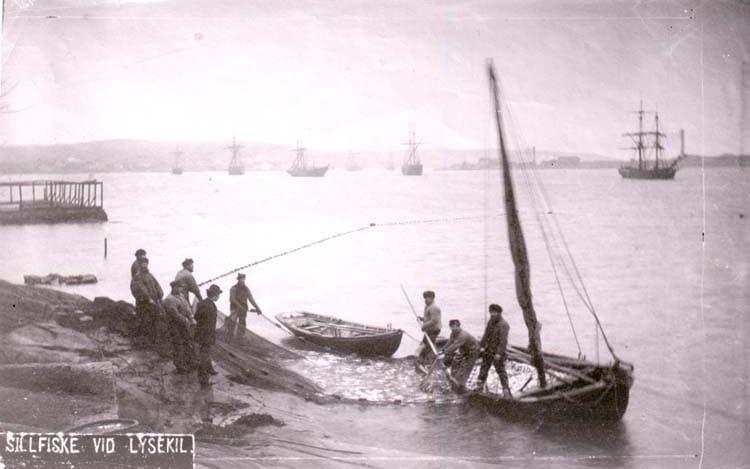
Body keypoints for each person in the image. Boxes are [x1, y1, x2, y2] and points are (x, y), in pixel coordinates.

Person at [477, 304, 512, 398]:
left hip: (497, 353)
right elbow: (486, 335)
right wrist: (481, 346)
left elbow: (503, 342)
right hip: (488, 350)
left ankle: (506, 391)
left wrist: (499, 353)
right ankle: (479, 386)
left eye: (495, 312)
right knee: (484, 368)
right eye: (491, 312)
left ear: (499, 313)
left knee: (501, 371)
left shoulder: (504, 325)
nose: (492, 314)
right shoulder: (491, 322)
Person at [129, 257, 164, 346]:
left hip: (153, 302)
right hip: (144, 304)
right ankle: (144, 341)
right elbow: (141, 288)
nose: (145, 265)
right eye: (143, 263)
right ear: (140, 265)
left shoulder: (150, 275)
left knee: (155, 321)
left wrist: (160, 294)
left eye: (146, 263)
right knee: (145, 321)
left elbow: (157, 285)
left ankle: (153, 340)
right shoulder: (138, 277)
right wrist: (148, 298)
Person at [163, 281, 197, 373]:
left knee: (187, 343)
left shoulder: (181, 296)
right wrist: (186, 320)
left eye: (181, 287)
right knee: (178, 345)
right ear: (173, 288)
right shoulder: (169, 299)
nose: (180, 289)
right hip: (175, 326)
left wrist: (191, 317)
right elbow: (174, 314)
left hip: (184, 325)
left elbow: (187, 308)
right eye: (178, 287)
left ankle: (189, 363)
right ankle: (180, 366)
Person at [441, 319, 480, 394]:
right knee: (455, 362)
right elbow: (450, 342)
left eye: (454, 327)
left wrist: (445, 352)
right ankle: (454, 380)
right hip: (464, 350)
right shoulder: (453, 333)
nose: (452, 329)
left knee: (466, 368)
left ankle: (462, 386)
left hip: (473, 351)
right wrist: (442, 350)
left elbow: (455, 346)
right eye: (451, 327)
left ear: (458, 326)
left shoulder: (463, 335)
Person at [195, 284, 222, 387]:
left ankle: (204, 377)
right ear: (214, 295)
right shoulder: (210, 306)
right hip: (206, 335)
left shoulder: (202, 303)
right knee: (204, 357)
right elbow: (210, 324)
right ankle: (204, 381)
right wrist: (210, 337)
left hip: (201, 334)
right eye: (218, 294)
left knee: (203, 355)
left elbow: (197, 317)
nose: (219, 296)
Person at [226, 273, 262, 340]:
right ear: (238, 279)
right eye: (240, 279)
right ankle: (229, 337)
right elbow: (232, 299)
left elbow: (251, 299)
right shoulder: (233, 288)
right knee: (232, 322)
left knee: (242, 324)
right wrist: (239, 306)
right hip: (235, 308)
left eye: (243, 279)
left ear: (244, 279)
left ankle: (239, 338)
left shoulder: (246, 289)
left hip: (243, 309)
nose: (242, 280)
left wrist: (257, 308)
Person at [416, 290, 441, 364]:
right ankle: (423, 359)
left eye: (427, 298)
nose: (425, 300)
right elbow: (428, 318)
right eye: (424, 298)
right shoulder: (427, 306)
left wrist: (424, 326)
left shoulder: (434, 307)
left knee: (428, 346)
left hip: (434, 330)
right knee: (424, 344)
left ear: (432, 298)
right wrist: (422, 319)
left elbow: (434, 321)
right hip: (428, 330)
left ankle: (425, 362)